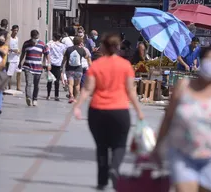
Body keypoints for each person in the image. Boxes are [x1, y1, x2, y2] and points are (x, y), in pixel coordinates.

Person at [73, 32, 143, 190]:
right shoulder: (125, 65)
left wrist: (77, 106)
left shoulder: (96, 65)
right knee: (119, 144)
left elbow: (87, 89)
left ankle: (102, 181)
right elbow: (131, 91)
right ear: (117, 47)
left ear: (103, 46)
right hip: (119, 111)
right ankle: (115, 168)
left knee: (102, 146)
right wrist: (139, 111)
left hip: (97, 111)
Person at [152, 45, 211, 192]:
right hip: (182, 154)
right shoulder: (184, 86)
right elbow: (168, 118)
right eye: (210, 60)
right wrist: (157, 147)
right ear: (201, 60)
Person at [18, 30, 51, 107]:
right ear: (31, 37)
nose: (35, 40)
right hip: (28, 66)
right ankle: (28, 98)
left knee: (36, 85)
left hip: (38, 68)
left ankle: (35, 99)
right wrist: (20, 62)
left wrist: (48, 64)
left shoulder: (42, 44)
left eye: (37, 38)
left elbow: (47, 55)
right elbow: (23, 54)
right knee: (29, 83)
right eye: (34, 38)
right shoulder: (26, 44)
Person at [61, 36, 88, 104]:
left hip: (69, 69)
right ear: (80, 42)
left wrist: (62, 66)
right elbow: (86, 56)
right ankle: (75, 98)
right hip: (78, 69)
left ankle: (71, 96)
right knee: (77, 85)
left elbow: (64, 59)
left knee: (70, 84)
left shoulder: (69, 49)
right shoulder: (82, 49)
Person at [46, 33, 66, 101]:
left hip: (51, 64)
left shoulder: (51, 44)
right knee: (57, 81)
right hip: (58, 64)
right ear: (60, 38)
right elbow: (64, 53)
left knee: (49, 80)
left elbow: (47, 51)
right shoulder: (63, 46)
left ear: (54, 37)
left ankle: (48, 95)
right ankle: (56, 96)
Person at [7, 25, 21, 90]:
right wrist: (13, 50)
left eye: (17, 30)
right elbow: (7, 48)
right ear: (12, 30)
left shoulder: (17, 38)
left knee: (19, 72)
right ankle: (9, 87)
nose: (16, 32)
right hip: (11, 58)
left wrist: (18, 51)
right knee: (9, 74)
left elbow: (17, 46)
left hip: (17, 58)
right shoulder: (9, 38)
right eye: (15, 30)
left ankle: (18, 87)